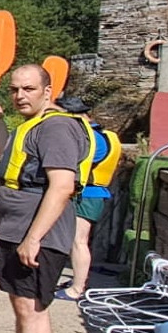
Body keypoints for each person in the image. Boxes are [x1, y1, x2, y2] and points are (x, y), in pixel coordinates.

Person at [0, 64, 94, 333]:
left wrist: (33, 239)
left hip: (36, 234)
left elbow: (61, 187)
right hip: (18, 228)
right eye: (14, 90)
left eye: (28, 89)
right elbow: (10, 157)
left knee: (33, 311)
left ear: (48, 90)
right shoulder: (34, 125)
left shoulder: (57, 127)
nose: (19, 96)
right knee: (22, 309)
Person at [54, 97, 122, 302]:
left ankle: (77, 288)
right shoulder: (103, 135)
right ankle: (78, 281)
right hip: (93, 193)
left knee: (78, 241)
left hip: (87, 194)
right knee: (77, 241)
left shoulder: (89, 138)